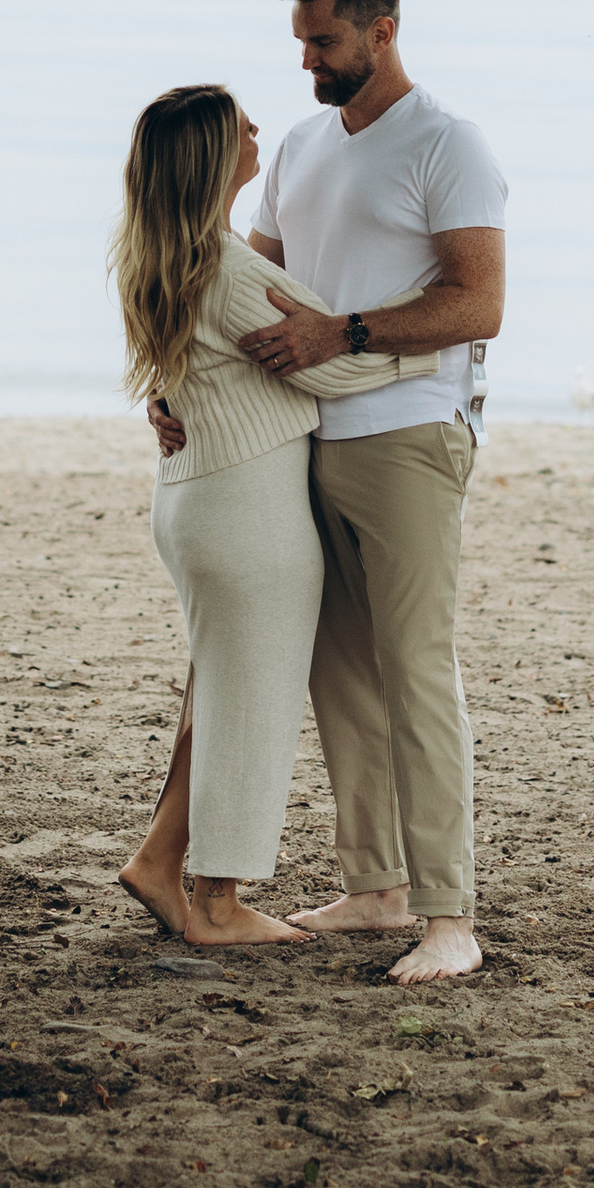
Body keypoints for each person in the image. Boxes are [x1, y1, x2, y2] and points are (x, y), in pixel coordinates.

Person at [110, 84, 438, 950]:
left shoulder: (163, 257)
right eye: (240, 126)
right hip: (246, 512)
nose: (259, 129)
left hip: (195, 501)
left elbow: (198, 372)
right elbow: (326, 364)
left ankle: (158, 861)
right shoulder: (228, 269)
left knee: (222, 694)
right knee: (251, 705)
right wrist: (427, 356)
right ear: (211, 159)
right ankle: (217, 903)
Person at [237, 0, 506, 984]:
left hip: (409, 437)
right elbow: (253, 284)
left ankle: (449, 917)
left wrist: (339, 333)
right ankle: (378, 885)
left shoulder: (446, 143)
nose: (308, 60)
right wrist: (179, 383)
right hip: (305, 437)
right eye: (301, 43)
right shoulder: (300, 146)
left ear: (381, 33)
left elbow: (476, 303)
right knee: (340, 672)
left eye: (324, 42)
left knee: (415, 672)